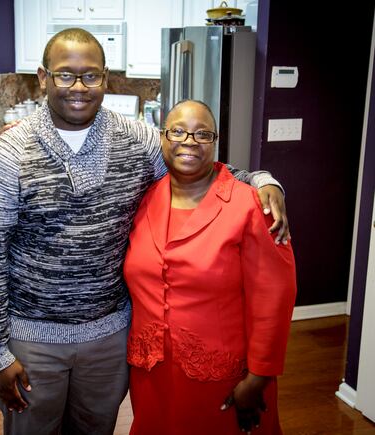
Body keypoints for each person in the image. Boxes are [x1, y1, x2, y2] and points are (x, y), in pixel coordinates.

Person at [0, 28, 289, 435]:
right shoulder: (6, 153)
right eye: (66, 75)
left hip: (111, 336)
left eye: (91, 76)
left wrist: (263, 179)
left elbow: (197, 166)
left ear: (106, 79)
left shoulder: (137, 140)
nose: (79, 87)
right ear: (43, 77)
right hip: (34, 340)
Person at [124, 100, 297, 434]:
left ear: (216, 142)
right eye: (178, 131)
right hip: (152, 373)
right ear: (162, 138)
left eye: (202, 134)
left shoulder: (251, 205)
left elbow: (275, 296)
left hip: (223, 376)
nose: (189, 141)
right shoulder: (145, 199)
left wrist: (259, 376)